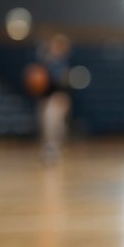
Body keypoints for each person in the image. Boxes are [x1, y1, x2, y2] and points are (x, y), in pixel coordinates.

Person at [36, 34, 73, 163]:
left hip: (57, 98)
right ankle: (48, 149)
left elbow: (62, 83)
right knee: (47, 125)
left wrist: (62, 97)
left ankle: (54, 149)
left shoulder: (62, 63)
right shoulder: (46, 61)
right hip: (46, 98)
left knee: (57, 126)